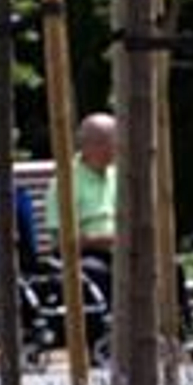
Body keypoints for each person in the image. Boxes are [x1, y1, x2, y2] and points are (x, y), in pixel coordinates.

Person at [44, 111, 117, 300]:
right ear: (90, 146)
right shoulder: (65, 182)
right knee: (98, 272)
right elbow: (62, 241)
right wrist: (99, 240)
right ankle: (110, 326)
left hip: (123, 250)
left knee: (170, 266)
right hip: (85, 255)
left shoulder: (117, 175)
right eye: (113, 141)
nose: (118, 147)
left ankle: (179, 322)